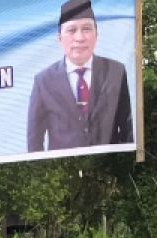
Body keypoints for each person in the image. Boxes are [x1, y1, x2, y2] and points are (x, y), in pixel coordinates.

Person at [27, 0, 133, 152]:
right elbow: (34, 142)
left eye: (86, 29)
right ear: (59, 38)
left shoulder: (116, 71)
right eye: (71, 30)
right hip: (61, 170)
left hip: (107, 166)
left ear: (97, 34)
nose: (80, 38)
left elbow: (126, 128)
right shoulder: (43, 81)